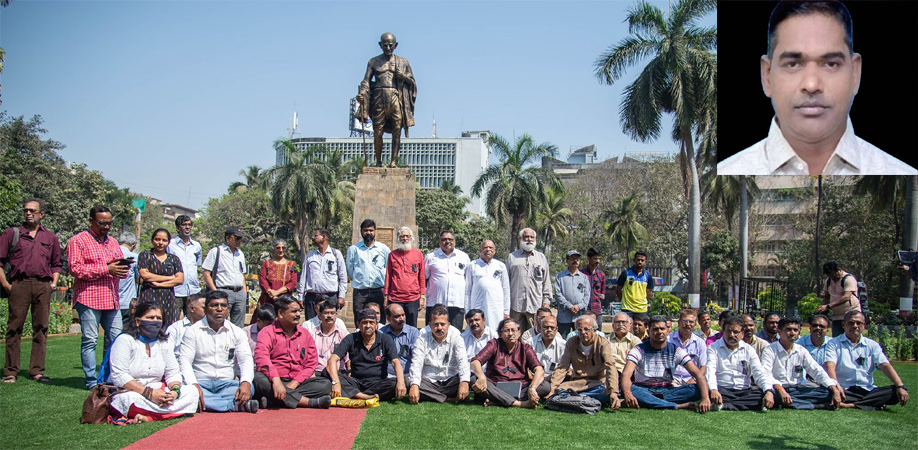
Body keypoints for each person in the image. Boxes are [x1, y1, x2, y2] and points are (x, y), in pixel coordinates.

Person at [717, 1, 917, 176]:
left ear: (855, 73)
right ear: (767, 75)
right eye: (793, 64)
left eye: (831, 64)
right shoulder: (728, 171)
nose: (811, 85)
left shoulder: (902, 173)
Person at [1, 198, 62, 384]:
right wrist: (7, 285)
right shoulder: (12, 233)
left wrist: (53, 284)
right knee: (14, 328)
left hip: (43, 286)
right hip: (19, 284)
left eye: (32, 211)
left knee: (41, 328)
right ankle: (10, 371)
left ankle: (37, 371)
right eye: (26, 210)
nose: (28, 213)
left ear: (41, 214)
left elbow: (57, 264)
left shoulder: (50, 237)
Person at [107, 301, 199, 422]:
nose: (155, 321)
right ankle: (163, 413)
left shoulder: (163, 343)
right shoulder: (124, 340)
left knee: (192, 392)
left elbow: (173, 372)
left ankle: (149, 416)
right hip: (132, 391)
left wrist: (174, 393)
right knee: (128, 399)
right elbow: (119, 376)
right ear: (137, 321)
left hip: (158, 390)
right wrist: (150, 394)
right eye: (150, 318)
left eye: (158, 318)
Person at [69, 205, 128, 389]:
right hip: (89, 298)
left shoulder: (113, 242)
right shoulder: (78, 241)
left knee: (117, 339)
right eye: (102, 223)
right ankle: (91, 381)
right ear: (91, 221)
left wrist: (122, 268)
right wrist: (106, 269)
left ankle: (109, 377)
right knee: (90, 340)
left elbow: (121, 269)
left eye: (109, 223)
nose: (107, 227)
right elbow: (75, 269)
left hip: (111, 298)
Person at [179, 290, 258, 413]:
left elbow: (245, 360)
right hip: (200, 383)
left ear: (228, 309)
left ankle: (205, 403)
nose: (219, 309)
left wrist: (246, 382)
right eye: (214, 305)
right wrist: (194, 385)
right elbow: (185, 360)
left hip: (227, 384)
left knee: (250, 388)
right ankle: (234, 405)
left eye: (223, 305)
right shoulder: (192, 331)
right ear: (206, 309)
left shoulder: (237, 332)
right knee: (187, 390)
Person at [253, 295, 332, 409]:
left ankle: (274, 400)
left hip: (298, 382)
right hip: (273, 380)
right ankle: (308, 402)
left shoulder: (305, 333)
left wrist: (294, 383)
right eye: (294, 311)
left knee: (325, 384)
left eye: (299, 311)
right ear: (281, 313)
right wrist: (276, 380)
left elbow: (311, 362)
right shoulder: (266, 332)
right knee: (258, 378)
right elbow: (262, 358)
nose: (298, 315)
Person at [621, 315, 711, 412]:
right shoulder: (638, 350)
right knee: (631, 389)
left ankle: (648, 401)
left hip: (667, 390)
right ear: (648, 332)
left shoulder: (676, 351)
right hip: (644, 388)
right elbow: (626, 374)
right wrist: (627, 393)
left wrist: (705, 398)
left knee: (696, 389)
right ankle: (677, 406)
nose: (659, 332)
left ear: (667, 331)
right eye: (655, 329)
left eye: (662, 329)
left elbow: (698, 374)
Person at [824, 311, 909, 410]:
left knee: (895, 391)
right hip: (844, 389)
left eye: (858, 323)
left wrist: (900, 386)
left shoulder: (872, 345)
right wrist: (836, 386)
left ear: (864, 326)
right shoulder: (833, 343)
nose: (855, 326)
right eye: (851, 323)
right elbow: (830, 366)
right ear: (843, 324)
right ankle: (871, 403)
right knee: (824, 393)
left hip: (867, 390)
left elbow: (885, 365)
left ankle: (851, 405)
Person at [355, 32, 417, 167]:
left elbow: (412, 82)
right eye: (385, 45)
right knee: (377, 132)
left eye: (390, 45)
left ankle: (393, 162)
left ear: (395, 45)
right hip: (379, 97)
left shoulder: (403, 62)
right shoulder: (373, 62)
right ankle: (378, 162)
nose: (388, 48)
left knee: (397, 130)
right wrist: (362, 93)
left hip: (395, 97)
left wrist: (403, 77)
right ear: (380, 45)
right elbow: (366, 81)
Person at [760, 316, 841, 410]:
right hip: (777, 388)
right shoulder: (770, 350)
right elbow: (766, 374)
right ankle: (816, 406)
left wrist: (833, 387)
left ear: (799, 331)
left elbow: (816, 370)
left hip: (797, 390)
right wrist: (780, 389)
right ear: (779, 332)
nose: (792, 333)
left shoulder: (801, 350)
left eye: (795, 330)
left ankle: (789, 403)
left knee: (827, 392)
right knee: (770, 395)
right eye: (788, 330)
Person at [326, 308, 407, 400]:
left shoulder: (385, 339)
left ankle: (353, 394)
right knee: (327, 372)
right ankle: (363, 396)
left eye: (371, 322)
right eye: (364, 322)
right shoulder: (350, 338)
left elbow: (395, 362)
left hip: (378, 383)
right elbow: (332, 359)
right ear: (358, 324)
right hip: (355, 382)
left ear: (376, 325)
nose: (368, 326)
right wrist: (336, 383)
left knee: (395, 382)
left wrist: (401, 383)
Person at [470, 318, 549, 408]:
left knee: (545, 386)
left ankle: (497, 400)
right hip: (495, 385)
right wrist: (481, 377)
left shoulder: (525, 348)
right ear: (500, 333)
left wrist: (532, 388)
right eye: (507, 330)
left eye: (513, 330)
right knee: (473, 379)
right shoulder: (494, 344)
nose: (510, 333)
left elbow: (539, 369)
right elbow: (475, 361)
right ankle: (519, 403)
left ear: (519, 333)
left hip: (520, 387)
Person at [705, 316, 778, 411]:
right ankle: (737, 404)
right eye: (728, 331)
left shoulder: (748, 349)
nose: (731, 335)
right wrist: (713, 389)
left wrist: (768, 390)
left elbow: (759, 372)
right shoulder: (713, 348)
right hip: (723, 390)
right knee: (705, 392)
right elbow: (710, 370)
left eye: (735, 332)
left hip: (744, 391)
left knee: (771, 395)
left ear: (742, 334)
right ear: (723, 332)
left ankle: (725, 405)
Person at [550, 315, 620, 408]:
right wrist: (552, 389)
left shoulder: (602, 343)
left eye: (586, 329)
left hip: (597, 383)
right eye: (579, 329)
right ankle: (584, 399)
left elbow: (610, 366)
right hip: (577, 383)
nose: (583, 332)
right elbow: (562, 367)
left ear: (594, 330)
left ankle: (573, 399)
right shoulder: (571, 342)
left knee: (605, 391)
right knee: (558, 391)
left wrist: (613, 391)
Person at [407, 304, 470, 404]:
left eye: (442, 324)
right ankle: (446, 398)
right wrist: (414, 385)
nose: (439, 327)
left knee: (471, 378)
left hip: (450, 381)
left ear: (448, 325)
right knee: (408, 381)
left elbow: (463, 361)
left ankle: (433, 396)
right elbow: (416, 363)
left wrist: (464, 382)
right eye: (436, 324)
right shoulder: (422, 338)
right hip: (429, 382)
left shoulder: (456, 337)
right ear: (430, 325)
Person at [506, 228, 552, 334]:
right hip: (516, 306)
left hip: (535, 306)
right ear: (521, 239)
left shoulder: (541, 258)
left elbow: (546, 282)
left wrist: (546, 302)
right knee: (515, 335)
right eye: (526, 237)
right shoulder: (512, 257)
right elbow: (506, 282)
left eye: (532, 237)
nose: (529, 239)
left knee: (535, 336)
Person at [137, 228, 184, 329]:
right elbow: (145, 275)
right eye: (157, 239)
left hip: (168, 299)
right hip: (148, 296)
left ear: (168, 242)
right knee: (148, 325)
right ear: (152, 240)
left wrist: (159, 284)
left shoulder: (174, 259)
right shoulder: (145, 255)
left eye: (164, 240)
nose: (160, 243)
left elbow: (180, 279)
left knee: (168, 328)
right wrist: (170, 278)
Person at [202, 227, 248, 328]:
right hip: (223, 290)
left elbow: (242, 274)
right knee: (220, 322)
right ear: (227, 238)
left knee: (238, 326)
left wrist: (244, 292)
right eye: (236, 238)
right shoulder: (216, 251)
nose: (239, 241)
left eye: (240, 238)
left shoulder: (240, 254)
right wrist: (215, 292)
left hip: (239, 293)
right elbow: (206, 273)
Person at [347, 219, 390, 327]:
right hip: (360, 291)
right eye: (365, 230)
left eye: (371, 230)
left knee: (380, 320)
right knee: (359, 319)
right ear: (361, 231)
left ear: (375, 231)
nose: (368, 233)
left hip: (378, 290)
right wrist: (360, 280)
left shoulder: (383, 249)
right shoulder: (354, 249)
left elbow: (388, 268)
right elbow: (350, 269)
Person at [424, 230, 470, 330]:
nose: (447, 241)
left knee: (455, 333)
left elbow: (468, 279)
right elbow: (424, 278)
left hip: (457, 304)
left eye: (450, 239)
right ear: (439, 242)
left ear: (455, 241)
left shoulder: (463, 257)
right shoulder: (431, 257)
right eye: (444, 239)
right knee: (433, 332)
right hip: (435, 303)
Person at [298, 229, 347, 319]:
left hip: (330, 297)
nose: (313, 238)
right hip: (312, 297)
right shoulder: (310, 255)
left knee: (328, 323)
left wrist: (341, 296)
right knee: (311, 324)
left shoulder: (336, 254)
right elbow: (303, 277)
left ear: (324, 237)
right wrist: (300, 296)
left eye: (316, 235)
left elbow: (342, 276)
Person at [465, 239, 510, 332]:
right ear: (480, 250)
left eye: (490, 248)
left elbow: (506, 289)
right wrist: (467, 311)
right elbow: (467, 290)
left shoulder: (500, 266)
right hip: (478, 305)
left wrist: (506, 311)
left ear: (494, 251)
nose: (488, 250)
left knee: (496, 331)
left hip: (496, 307)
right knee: (477, 331)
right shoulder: (472, 265)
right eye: (485, 247)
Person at [385, 226, 425, 327]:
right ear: (398, 238)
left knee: (412, 327)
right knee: (395, 326)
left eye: (407, 236)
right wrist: (386, 296)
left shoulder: (418, 254)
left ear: (411, 238)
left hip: (413, 298)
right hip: (395, 298)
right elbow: (388, 276)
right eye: (402, 236)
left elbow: (421, 277)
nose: (405, 238)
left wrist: (422, 297)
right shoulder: (392, 255)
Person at [167, 215, 202, 318]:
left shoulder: (196, 246)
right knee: (173, 319)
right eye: (184, 225)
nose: (187, 227)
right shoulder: (170, 245)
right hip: (176, 290)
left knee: (194, 320)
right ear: (178, 228)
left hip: (193, 290)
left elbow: (197, 264)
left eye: (189, 225)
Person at [306, 297, 350, 375]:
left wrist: (349, 374)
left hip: (338, 373)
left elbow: (348, 358)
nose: (329, 316)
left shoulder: (343, 334)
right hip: (317, 373)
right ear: (320, 315)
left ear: (336, 315)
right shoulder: (312, 334)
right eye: (326, 313)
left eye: (332, 313)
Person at [817, 260, 861, 337]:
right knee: (837, 339)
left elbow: (846, 297)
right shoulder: (828, 281)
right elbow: (826, 297)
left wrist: (828, 306)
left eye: (834, 275)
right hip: (836, 317)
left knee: (851, 337)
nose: (832, 278)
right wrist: (823, 308)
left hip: (851, 315)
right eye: (829, 276)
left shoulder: (848, 279)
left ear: (839, 270)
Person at [554, 250, 590, 337]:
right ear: (567, 261)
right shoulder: (560, 277)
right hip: (564, 317)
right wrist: (569, 306)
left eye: (577, 259)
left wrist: (578, 307)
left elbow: (587, 296)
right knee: (562, 340)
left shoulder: (584, 278)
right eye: (572, 259)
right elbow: (558, 295)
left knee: (580, 340)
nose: (575, 261)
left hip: (579, 316)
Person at [667, 309, 707, 386]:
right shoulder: (668, 340)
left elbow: (703, 367)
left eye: (691, 322)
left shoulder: (700, 342)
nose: (688, 324)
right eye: (684, 321)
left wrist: (694, 379)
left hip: (691, 380)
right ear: (678, 323)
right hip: (671, 379)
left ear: (695, 325)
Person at [380, 303, 420, 379]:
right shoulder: (381, 334)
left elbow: (417, 357)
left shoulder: (413, 332)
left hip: (408, 374)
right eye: (397, 316)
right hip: (387, 375)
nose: (401, 319)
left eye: (403, 315)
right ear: (388, 318)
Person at [615, 251, 655, 321]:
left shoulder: (648, 276)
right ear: (634, 260)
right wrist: (624, 300)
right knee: (626, 327)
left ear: (645, 262)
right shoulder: (626, 273)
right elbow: (618, 290)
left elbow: (648, 293)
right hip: (627, 309)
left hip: (642, 310)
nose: (640, 262)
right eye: (638, 260)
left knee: (641, 327)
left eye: (642, 260)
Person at [258, 238, 297, 310]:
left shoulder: (291, 265)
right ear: (273, 249)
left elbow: (293, 282)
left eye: (283, 248)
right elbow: (262, 280)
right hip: (268, 299)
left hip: (284, 301)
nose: (281, 250)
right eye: (278, 248)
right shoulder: (266, 264)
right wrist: (271, 293)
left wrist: (277, 292)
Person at [165, 293, 205, 360]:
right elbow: (167, 352)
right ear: (192, 309)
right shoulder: (176, 328)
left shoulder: (210, 328)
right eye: (204, 308)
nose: (208, 310)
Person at [115, 231, 139, 330]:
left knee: (111, 332)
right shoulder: (134, 257)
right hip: (127, 302)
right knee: (127, 330)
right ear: (133, 245)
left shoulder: (112, 255)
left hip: (112, 302)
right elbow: (139, 279)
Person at [608, 313, 642, 379]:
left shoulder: (635, 341)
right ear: (612, 325)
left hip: (629, 375)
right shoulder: (605, 340)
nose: (620, 324)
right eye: (617, 322)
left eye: (623, 322)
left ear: (629, 325)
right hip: (609, 374)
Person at [580, 247, 607, 329]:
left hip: (597, 310)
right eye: (595, 258)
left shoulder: (601, 275)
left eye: (599, 259)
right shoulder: (581, 274)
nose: (597, 261)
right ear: (588, 258)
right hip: (584, 310)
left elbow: (602, 293)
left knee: (598, 332)